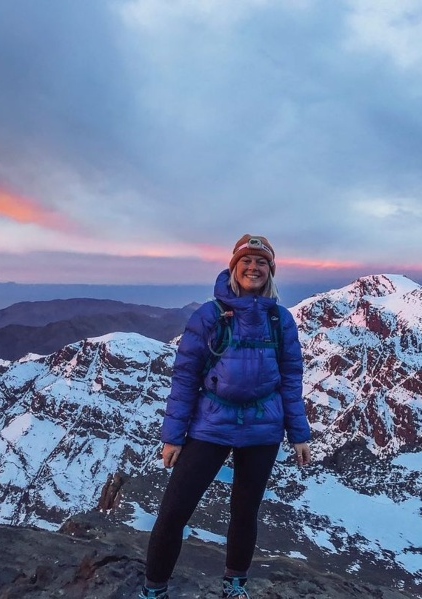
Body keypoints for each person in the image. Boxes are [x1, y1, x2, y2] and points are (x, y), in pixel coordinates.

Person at [139, 234, 312, 599]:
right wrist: (173, 436)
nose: (254, 268)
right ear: (234, 267)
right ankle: (154, 589)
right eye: (247, 261)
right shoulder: (210, 315)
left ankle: (235, 586)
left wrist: (299, 433)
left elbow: (291, 378)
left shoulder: (280, 320)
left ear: (270, 271)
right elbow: (186, 376)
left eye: (261, 262)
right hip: (211, 424)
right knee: (174, 511)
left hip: (263, 428)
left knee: (245, 512)